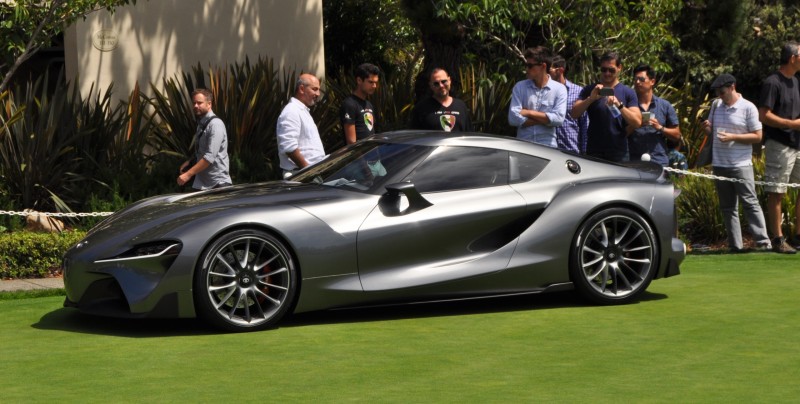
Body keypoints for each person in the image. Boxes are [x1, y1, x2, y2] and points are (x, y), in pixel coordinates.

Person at [700, 73, 771, 252]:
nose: (720, 96)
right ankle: (735, 246)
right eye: (718, 93)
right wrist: (706, 127)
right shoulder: (716, 105)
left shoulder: (748, 108)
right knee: (728, 207)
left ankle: (763, 243)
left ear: (732, 87)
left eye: (722, 92)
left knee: (750, 202)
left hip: (740, 164)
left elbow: (758, 136)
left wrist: (733, 137)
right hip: (720, 163)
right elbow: (711, 132)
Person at [758, 41, 800, 253]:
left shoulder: (796, 82)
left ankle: (799, 237)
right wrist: (792, 124)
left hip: (797, 144)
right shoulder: (772, 82)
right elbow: (764, 115)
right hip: (779, 145)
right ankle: (778, 240)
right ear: (792, 58)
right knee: (777, 192)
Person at [571, 51, 641, 162]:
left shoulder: (628, 92)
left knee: (619, 180)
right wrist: (591, 99)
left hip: (619, 151)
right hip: (594, 149)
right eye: (604, 70)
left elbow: (637, 122)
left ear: (619, 68)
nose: (607, 73)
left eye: (611, 70)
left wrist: (619, 105)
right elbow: (574, 113)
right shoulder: (590, 89)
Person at [508, 46, 567, 147]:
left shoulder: (559, 89)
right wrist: (546, 119)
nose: (526, 69)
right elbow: (513, 119)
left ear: (543, 66)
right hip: (523, 147)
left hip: (548, 147)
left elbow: (558, 119)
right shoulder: (520, 87)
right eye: (526, 65)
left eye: (530, 66)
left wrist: (528, 112)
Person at [177, 88, 232, 190]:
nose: (195, 106)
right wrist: (190, 161)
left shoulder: (216, 125)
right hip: (202, 185)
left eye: (199, 103)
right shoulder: (201, 124)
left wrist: (188, 174)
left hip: (218, 185)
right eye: (194, 103)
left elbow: (209, 157)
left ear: (209, 104)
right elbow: (202, 150)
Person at [626, 65, 681, 165]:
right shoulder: (628, 105)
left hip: (658, 162)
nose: (637, 82)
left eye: (641, 79)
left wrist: (660, 127)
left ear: (652, 81)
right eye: (636, 79)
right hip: (634, 162)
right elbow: (620, 135)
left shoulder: (665, 106)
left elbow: (677, 135)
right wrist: (637, 124)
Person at [277, 73, 326, 178]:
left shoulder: (302, 111)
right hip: (301, 175)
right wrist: (308, 171)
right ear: (302, 89)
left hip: (307, 173)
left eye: (318, 90)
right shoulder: (292, 111)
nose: (318, 94)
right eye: (314, 89)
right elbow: (289, 147)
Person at [410, 67, 472, 132]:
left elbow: (469, 135)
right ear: (430, 85)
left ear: (449, 80)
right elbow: (414, 137)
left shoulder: (461, 106)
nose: (441, 85)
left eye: (444, 81)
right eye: (436, 84)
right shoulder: (421, 108)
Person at [550, 55, 589, 153]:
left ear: (560, 70)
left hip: (571, 150)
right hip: (549, 150)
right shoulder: (544, 92)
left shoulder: (578, 91)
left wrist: (585, 153)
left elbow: (585, 124)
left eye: (548, 70)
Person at [341, 63, 380, 145]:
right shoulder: (349, 104)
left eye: (376, 82)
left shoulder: (369, 104)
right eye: (370, 82)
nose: (374, 86)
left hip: (373, 154)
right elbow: (351, 142)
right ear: (359, 80)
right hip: (359, 156)